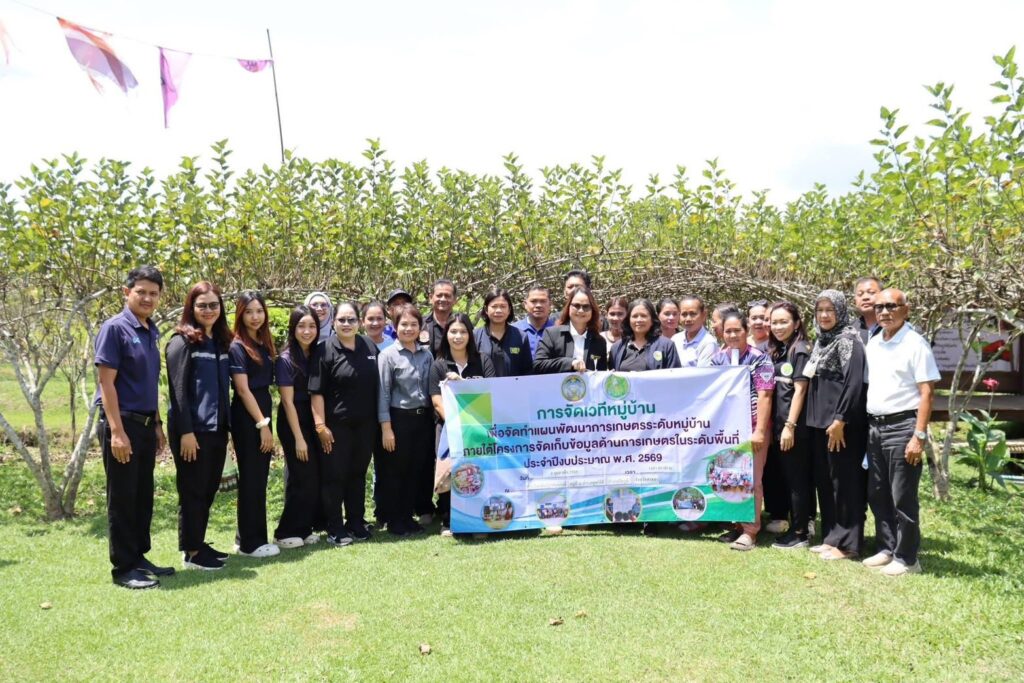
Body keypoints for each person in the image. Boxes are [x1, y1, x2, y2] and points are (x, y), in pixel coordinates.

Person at [95, 265, 171, 589]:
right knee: (123, 498)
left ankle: (139, 557)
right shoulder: (115, 329)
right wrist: (116, 432)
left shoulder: (151, 330)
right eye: (141, 292)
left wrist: (157, 424)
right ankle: (124, 568)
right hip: (122, 423)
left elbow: (149, 383)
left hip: (144, 424)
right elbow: (106, 384)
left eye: (154, 293)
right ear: (127, 292)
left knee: (142, 496)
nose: (148, 298)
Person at [862, 288, 940, 576]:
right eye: (879, 307)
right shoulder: (874, 342)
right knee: (877, 492)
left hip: (903, 426)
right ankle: (887, 548)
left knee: (902, 495)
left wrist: (918, 436)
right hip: (875, 426)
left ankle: (907, 558)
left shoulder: (915, 343)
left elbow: (927, 392)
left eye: (891, 306)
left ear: (905, 310)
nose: (884, 312)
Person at [166, 281, 232, 571]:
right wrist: (186, 432)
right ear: (191, 308)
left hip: (217, 428)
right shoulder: (182, 342)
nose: (208, 310)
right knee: (192, 489)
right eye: (202, 305)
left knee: (207, 488)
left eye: (213, 305)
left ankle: (198, 542)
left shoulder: (219, 342)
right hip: (192, 431)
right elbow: (178, 391)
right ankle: (191, 552)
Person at [804, 290, 867, 561]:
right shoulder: (822, 340)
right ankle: (832, 538)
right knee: (827, 482)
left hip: (841, 425)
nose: (825, 315)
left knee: (845, 483)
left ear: (840, 311)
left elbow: (853, 384)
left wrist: (840, 419)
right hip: (820, 424)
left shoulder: (848, 340)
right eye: (820, 310)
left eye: (830, 310)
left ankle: (849, 544)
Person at [310, 301, 380, 545]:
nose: (347, 324)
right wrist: (320, 426)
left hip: (366, 425)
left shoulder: (369, 345)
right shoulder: (324, 350)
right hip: (336, 426)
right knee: (335, 476)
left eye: (351, 319)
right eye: (342, 320)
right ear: (334, 322)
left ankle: (356, 522)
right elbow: (316, 392)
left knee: (357, 474)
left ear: (359, 322)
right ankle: (335, 527)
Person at [710, 311, 775, 551]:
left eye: (737, 330)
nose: (732, 335)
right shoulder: (717, 360)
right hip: (727, 430)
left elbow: (765, 395)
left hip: (753, 428)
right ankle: (737, 525)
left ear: (746, 331)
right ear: (722, 333)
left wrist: (760, 431)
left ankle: (750, 530)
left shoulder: (760, 359)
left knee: (752, 479)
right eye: (728, 331)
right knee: (731, 479)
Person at [430, 314, 496, 536]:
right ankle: (449, 521)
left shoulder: (483, 361)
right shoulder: (438, 365)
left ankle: (478, 521)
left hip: (478, 428)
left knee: (478, 472)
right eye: (453, 332)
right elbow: (436, 401)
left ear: (470, 335)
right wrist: (457, 423)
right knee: (450, 471)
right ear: (446, 335)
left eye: (463, 332)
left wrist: (464, 384)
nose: (458, 336)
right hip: (448, 429)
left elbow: (490, 391)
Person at [229, 291, 280, 558]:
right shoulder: (238, 346)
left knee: (258, 477)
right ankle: (252, 543)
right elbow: (242, 389)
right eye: (249, 312)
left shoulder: (262, 342)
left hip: (261, 409)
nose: (255, 316)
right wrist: (262, 424)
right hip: (248, 416)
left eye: (259, 311)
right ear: (240, 314)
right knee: (252, 478)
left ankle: (245, 537)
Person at [378, 304, 436, 536]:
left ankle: (408, 517)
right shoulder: (387, 356)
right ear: (395, 327)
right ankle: (395, 520)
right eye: (404, 324)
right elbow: (383, 393)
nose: (409, 328)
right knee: (397, 472)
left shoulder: (427, 355)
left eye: (413, 324)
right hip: (398, 420)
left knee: (416, 470)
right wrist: (386, 428)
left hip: (422, 421)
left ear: (420, 327)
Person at [272, 306, 327, 548]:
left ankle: (303, 529)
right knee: (301, 477)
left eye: (312, 326)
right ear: (293, 329)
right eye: (301, 326)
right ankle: (284, 533)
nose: (307, 331)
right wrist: (299, 439)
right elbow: (287, 402)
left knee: (312, 477)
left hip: (311, 418)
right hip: (293, 421)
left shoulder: (315, 354)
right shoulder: (286, 359)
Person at [766, 302, 814, 549]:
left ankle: (800, 533)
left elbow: (800, 391)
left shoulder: (801, 350)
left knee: (797, 482)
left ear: (796, 324)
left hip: (794, 429)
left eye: (784, 322)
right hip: (779, 426)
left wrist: (790, 426)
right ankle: (797, 528)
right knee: (789, 479)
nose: (778, 327)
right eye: (774, 322)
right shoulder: (780, 349)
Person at [360, 300, 393, 524]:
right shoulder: (355, 344)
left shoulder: (392, 346)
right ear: (362, 321)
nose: (374, 323)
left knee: (386, 466)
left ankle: (384, 512)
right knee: (358, 468)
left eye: (379, 318)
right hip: (361, 417)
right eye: (370, 319)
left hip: (387, 417)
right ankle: (357, 516)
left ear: (386, 321)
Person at [534, 287, 608, 373]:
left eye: (586, 306)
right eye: (576, 305)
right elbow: (538, 365)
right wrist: (570, 363)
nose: (581, 310)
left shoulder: (599, 342)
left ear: (592, 310)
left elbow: (601, 375)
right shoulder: (552, 334)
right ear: (569, 307)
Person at [608, 299, 681, 372]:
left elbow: (675, 376)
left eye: (643, 316)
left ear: (652, 320)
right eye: (635, 316)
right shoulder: (617, 347)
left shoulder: (667, 346)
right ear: (629, 320)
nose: (639, 320)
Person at [474, 287, 532, 377]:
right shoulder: (475, 336)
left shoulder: (521, 336)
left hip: (514, 386)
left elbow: (527, 371)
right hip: (483, 386)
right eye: (494, 306)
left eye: (503, 306)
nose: (498, 310)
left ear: (509, 310)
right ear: (486, 310)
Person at [672, 295, 717, 367]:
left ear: (704, 315)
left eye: (693, 314)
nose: (688, 319)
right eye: (684, 314)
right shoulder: (675, 339)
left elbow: (702, 372)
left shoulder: (708, 343)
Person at [513, 284, 554, 356]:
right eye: (533, 301)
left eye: (543, 301)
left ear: (550, 304)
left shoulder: (558, 331)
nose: (538, 305)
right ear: (525, 304)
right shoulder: (513, 331)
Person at [421, 279, 456, 356]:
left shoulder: (462, 324)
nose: (443, 299)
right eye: (439, 295)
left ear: (454, 300)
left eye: (447, 296)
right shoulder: (420, 324)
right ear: (431, 298)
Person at [853, 276, 883, 343]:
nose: (865, 297)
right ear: (855, 300)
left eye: (871, 292)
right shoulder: (850, 331)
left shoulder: (894, 327)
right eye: (860, 294)